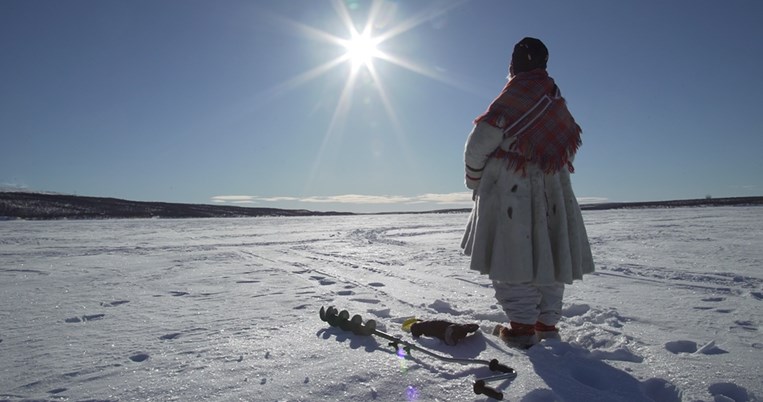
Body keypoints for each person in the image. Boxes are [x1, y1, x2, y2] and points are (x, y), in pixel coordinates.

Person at [461, 37, 595, 348]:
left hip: (512, 190)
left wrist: (475, 180)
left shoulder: (513, 98)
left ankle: (521, 329)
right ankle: (546, 325)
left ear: (513, 65)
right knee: (549, 256)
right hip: (554, 191)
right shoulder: (556, 101)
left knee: (511, 258)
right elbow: (568, 150)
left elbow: (478, 146)